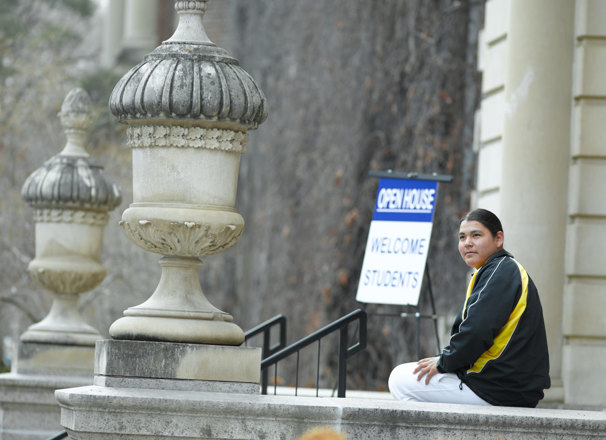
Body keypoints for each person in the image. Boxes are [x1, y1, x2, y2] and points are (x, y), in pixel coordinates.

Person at [388, 208, 550, 407]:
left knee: (401, 379)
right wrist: (445, 360)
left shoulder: (502, 270)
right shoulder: (496, 269)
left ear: (498, 239)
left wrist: (444, 362)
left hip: (499, 389)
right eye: (462, 237)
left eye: (476, 235)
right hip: (503, 385)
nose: (468, 243)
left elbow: (477, 331)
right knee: (411, 375)